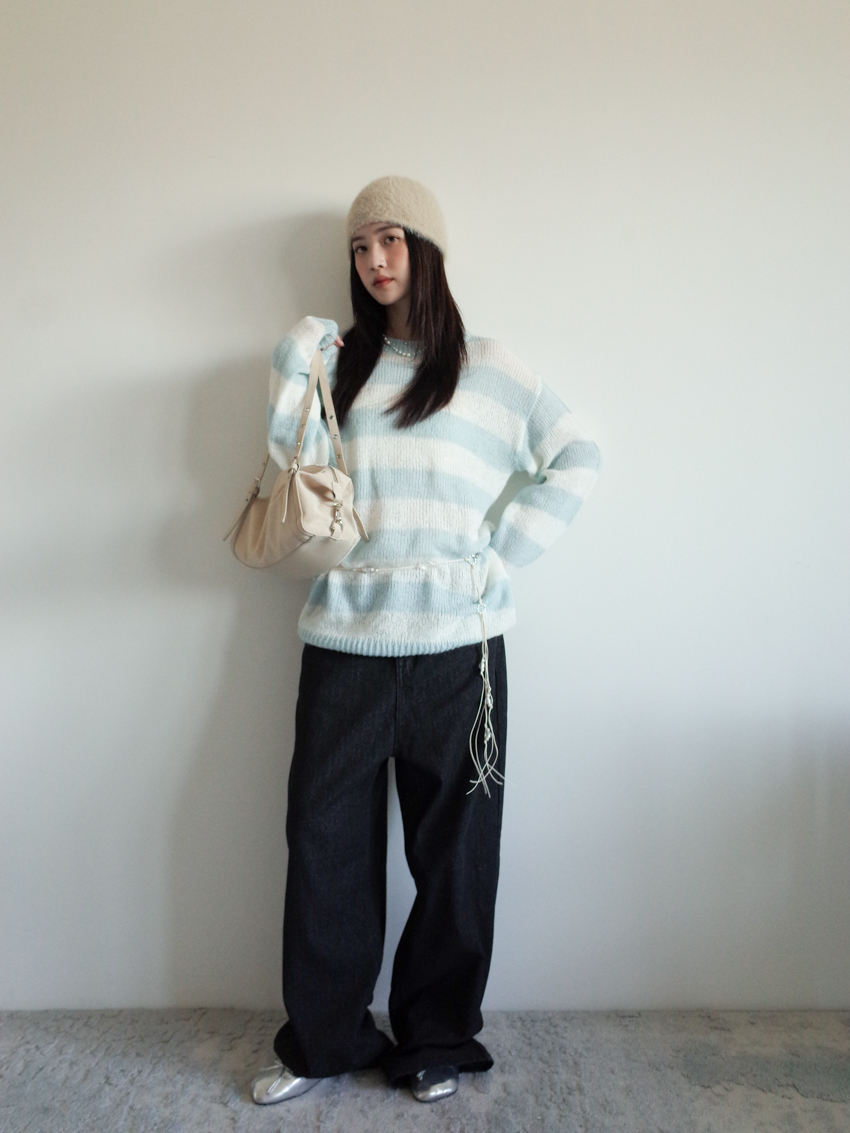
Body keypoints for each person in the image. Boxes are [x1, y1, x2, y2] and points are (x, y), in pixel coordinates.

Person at [249, 175, 600, 1105]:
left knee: (457, 853)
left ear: (426, 248)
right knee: (324, 844)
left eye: (391, 240)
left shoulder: (489, 367)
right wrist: (292, 364)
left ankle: (437, 1037)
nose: (374, 260)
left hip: (460, 647)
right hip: (344, 641)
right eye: (360, 246)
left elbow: (578, 453)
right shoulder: (341, 363)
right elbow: (292, 469)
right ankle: (323, 1040)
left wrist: (502, 552)